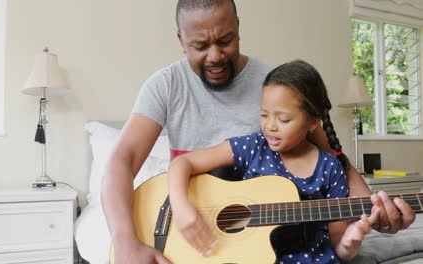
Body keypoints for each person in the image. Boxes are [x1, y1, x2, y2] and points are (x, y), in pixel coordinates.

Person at [101, 1, 415, 263]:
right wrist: (125, 239)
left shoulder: (271, 83)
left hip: (263, 237)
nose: (215, 55)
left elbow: (328, 152)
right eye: (200, 45)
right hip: (185, 222)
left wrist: (367, 204)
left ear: (238, 26)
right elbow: (122, 161)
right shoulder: (164, 85)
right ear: (181, 41)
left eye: (225, 40)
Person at [168, 59, 377, 263]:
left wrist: (350, 243)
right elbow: (182, 163)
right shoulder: (253, 147)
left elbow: (338, 247)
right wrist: (181, 206)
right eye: (264, 115)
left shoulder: (330, 168)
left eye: (283, 119)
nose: (270, 126)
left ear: (313, 122)